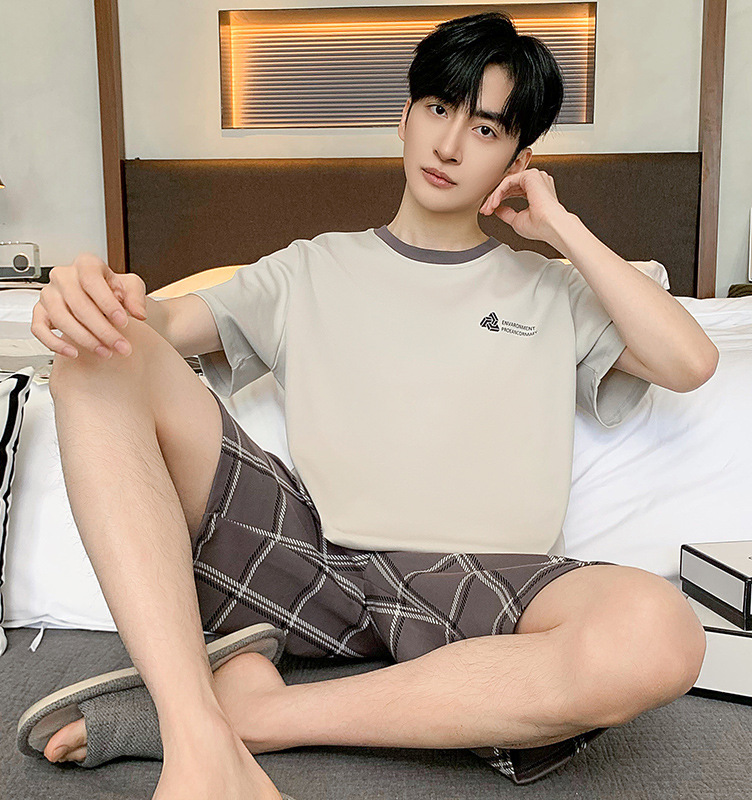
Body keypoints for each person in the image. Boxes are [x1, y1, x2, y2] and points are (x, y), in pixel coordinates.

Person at [29, 10, 716, 799]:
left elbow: (690, 362)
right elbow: (157, 324)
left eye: (485, 129)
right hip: (306, 554)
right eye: (438, 109)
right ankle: (195, 735)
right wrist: (98, 298)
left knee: (661, 635)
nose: (449, 145)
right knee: (96, 353)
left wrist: (558, 226)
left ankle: (256, 715)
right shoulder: (309, 268)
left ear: (519, 161)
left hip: (485, 582)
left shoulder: (555, 289)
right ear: (405, 118)